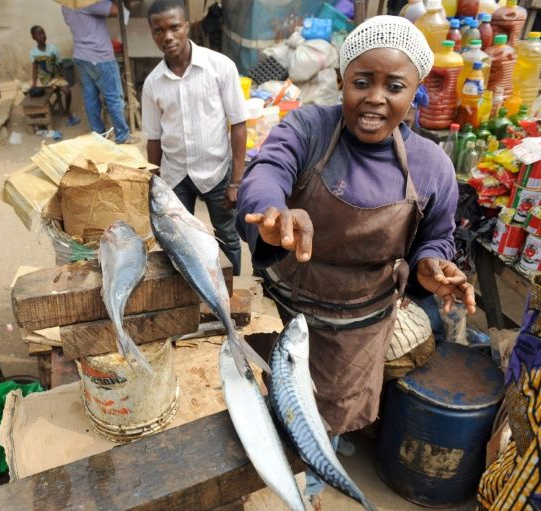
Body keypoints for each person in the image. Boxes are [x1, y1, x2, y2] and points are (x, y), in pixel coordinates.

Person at [236, 16, 476, 509]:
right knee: (269, 404)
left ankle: (312, 484)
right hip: (285, 309)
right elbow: (268, 170)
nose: (375, 98)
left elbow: (437, 235)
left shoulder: (431, 166)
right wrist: (272, 211)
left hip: (359, 326)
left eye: (395, 86)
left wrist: (431, 263)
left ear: (416, 90)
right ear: (341, 79)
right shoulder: (308, 128)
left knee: (328, 418)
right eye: (362, 82)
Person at [142, 0, 247, 275]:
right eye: (159, 31)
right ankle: (190, 291)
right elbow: (153, 138)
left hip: (216, 171)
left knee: (227, 235)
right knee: (179, 238)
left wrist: (236, 182)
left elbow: (238, 124)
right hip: (176, 174)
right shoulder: (153, 83)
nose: (167, 36)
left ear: (187, 26)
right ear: (152, 34)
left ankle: (230, 291)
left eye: (174, 27)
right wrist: (155, 184)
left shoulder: (220, 67)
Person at [62, 0, 134, 144]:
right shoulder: (88, 2)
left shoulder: (66, 4)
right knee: (114, 98)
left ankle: (99, 134)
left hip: (81, 56)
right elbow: (116, 10)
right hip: (100, 56)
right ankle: (122, 136)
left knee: (90, 97)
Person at [30, 25, 80, 127]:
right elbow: (34, 69)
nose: (42, 36)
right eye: (39, 34)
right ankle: (40, 115)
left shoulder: (53, 49)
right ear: (34, 38)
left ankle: (67, 110)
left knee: (67, 91)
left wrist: (63, 77)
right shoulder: (33, 53)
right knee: (33, 94)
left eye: (43, 33)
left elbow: (60, 64)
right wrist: (34, 83)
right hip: (43, 79)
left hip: (55, 77)